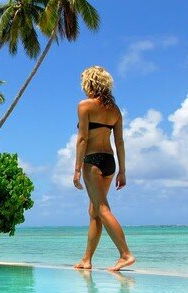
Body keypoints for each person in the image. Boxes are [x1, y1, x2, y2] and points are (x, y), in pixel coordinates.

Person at [72, 66, 135, 271]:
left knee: (102, 209)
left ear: (89, 83)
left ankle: (125, 254)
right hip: (110, 161)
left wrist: (77, 169)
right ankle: (86, 259)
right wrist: (122, 171)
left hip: (93, 161)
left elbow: (82, 139)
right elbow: (120, 143)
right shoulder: (115, 111)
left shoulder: (85, 106)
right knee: (94, 211)